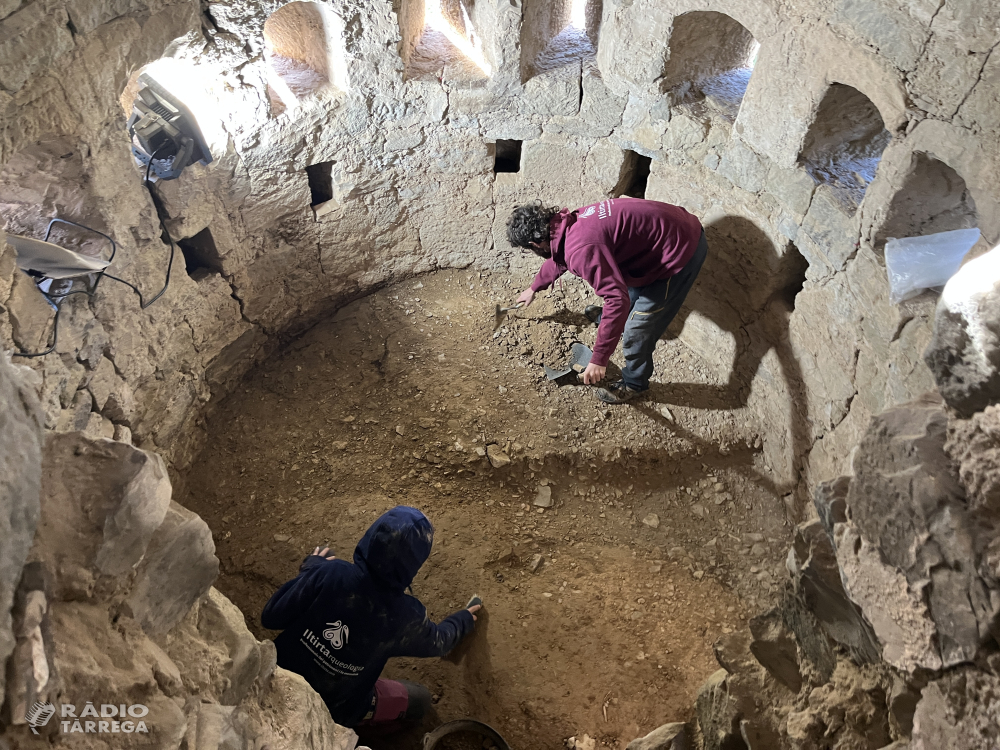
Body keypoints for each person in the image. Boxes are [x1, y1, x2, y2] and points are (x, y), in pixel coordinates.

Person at [261, 506, 481, 732]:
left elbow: (270, 617)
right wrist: (462, 620)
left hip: (277, 682)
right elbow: (439, 641)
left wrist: (311, 569)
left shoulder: (330, 573)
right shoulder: (404, 617)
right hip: (334, 710)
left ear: (371, 537)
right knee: (422, 700)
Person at [507, 197, 708, 404]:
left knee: (638, 328)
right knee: (624, 287)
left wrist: (599, 359)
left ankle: (634, 383)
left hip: (680, 251)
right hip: (663, 236)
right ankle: (608, 320)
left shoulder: (581, 248)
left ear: (534, 244)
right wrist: (534, 288)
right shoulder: (567, 224)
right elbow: (560, 256)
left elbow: (616, 299)